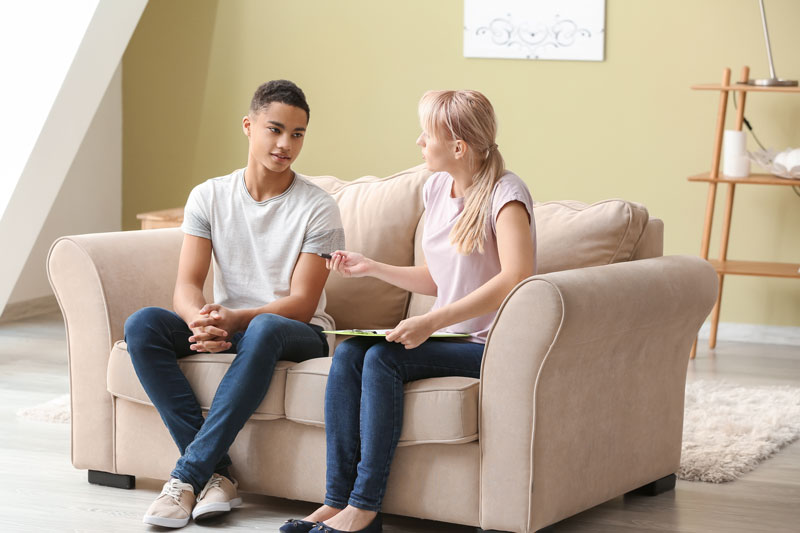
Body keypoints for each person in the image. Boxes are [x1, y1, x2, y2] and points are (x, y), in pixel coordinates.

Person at [282, 90, 536, 533]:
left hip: (490, 345)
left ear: (458, 146)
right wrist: (373, 268)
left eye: (428, 134)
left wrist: (431, 321)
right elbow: (441, 279)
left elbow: (517, 276)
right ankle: (337, 500)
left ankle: (364, 509)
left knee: (383, 358)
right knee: (349, 352)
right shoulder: (436, 187)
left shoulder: (505, 194)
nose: (419, 141)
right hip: (448, 337)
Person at [124, 80, 344, 528]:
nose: (286, 144)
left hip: (296, 332)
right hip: (231, 326)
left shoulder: (319, 208)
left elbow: (301, 304)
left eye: (297, 134)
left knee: (262, 328)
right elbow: (187, 284)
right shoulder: (209, 196)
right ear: (249, 126)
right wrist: (199, 320)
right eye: (275, 129)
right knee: (144, 325)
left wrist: (236, 319)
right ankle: (218, 474)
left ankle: (187, 476)